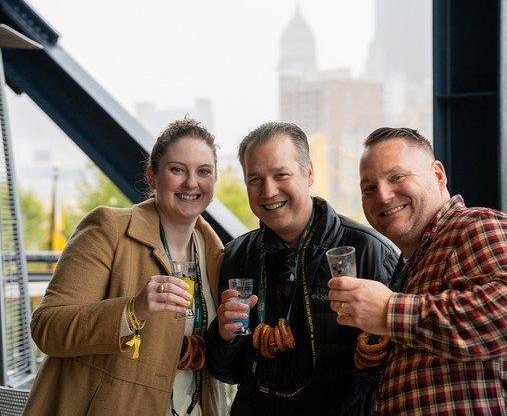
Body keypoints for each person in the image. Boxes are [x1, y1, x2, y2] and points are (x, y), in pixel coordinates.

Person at [328, 127, 507, 415]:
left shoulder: (479, 226)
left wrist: (389, 311)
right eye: (369, 188)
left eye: (397, 177)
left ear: (438, 175)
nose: (382, 196)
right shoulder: (414, 265)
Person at [23, 117, 226, 416]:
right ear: (152, 176)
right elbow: (47, 328)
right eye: (177, 169)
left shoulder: (216, 255)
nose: (191, 183)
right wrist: (133, 310)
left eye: (204, 171)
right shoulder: (109, 229)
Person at [205, 122, 398, 415]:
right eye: (255, 179)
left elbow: (394, 372)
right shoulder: (236, 255)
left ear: (308, 174)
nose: (269, 191)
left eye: (281, 175)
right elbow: (226, 373)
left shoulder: (370, 251)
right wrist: (224, 337)